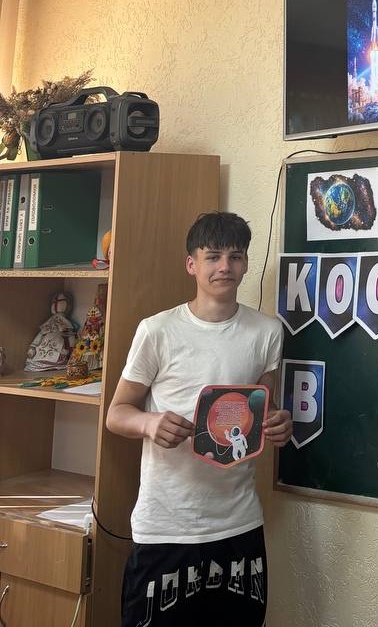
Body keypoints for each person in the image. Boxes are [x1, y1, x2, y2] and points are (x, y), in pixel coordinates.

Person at [106, 211, 292, 627]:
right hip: (167, 525)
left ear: (246, 263)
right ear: (192, 264)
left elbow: (264, 409)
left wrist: (278, 423)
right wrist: (150, 423)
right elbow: (117, 414)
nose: (225, 266)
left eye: (235, 256)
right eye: (213, 256)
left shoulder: (267, 332)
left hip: (238, 522)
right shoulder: (157, 330)